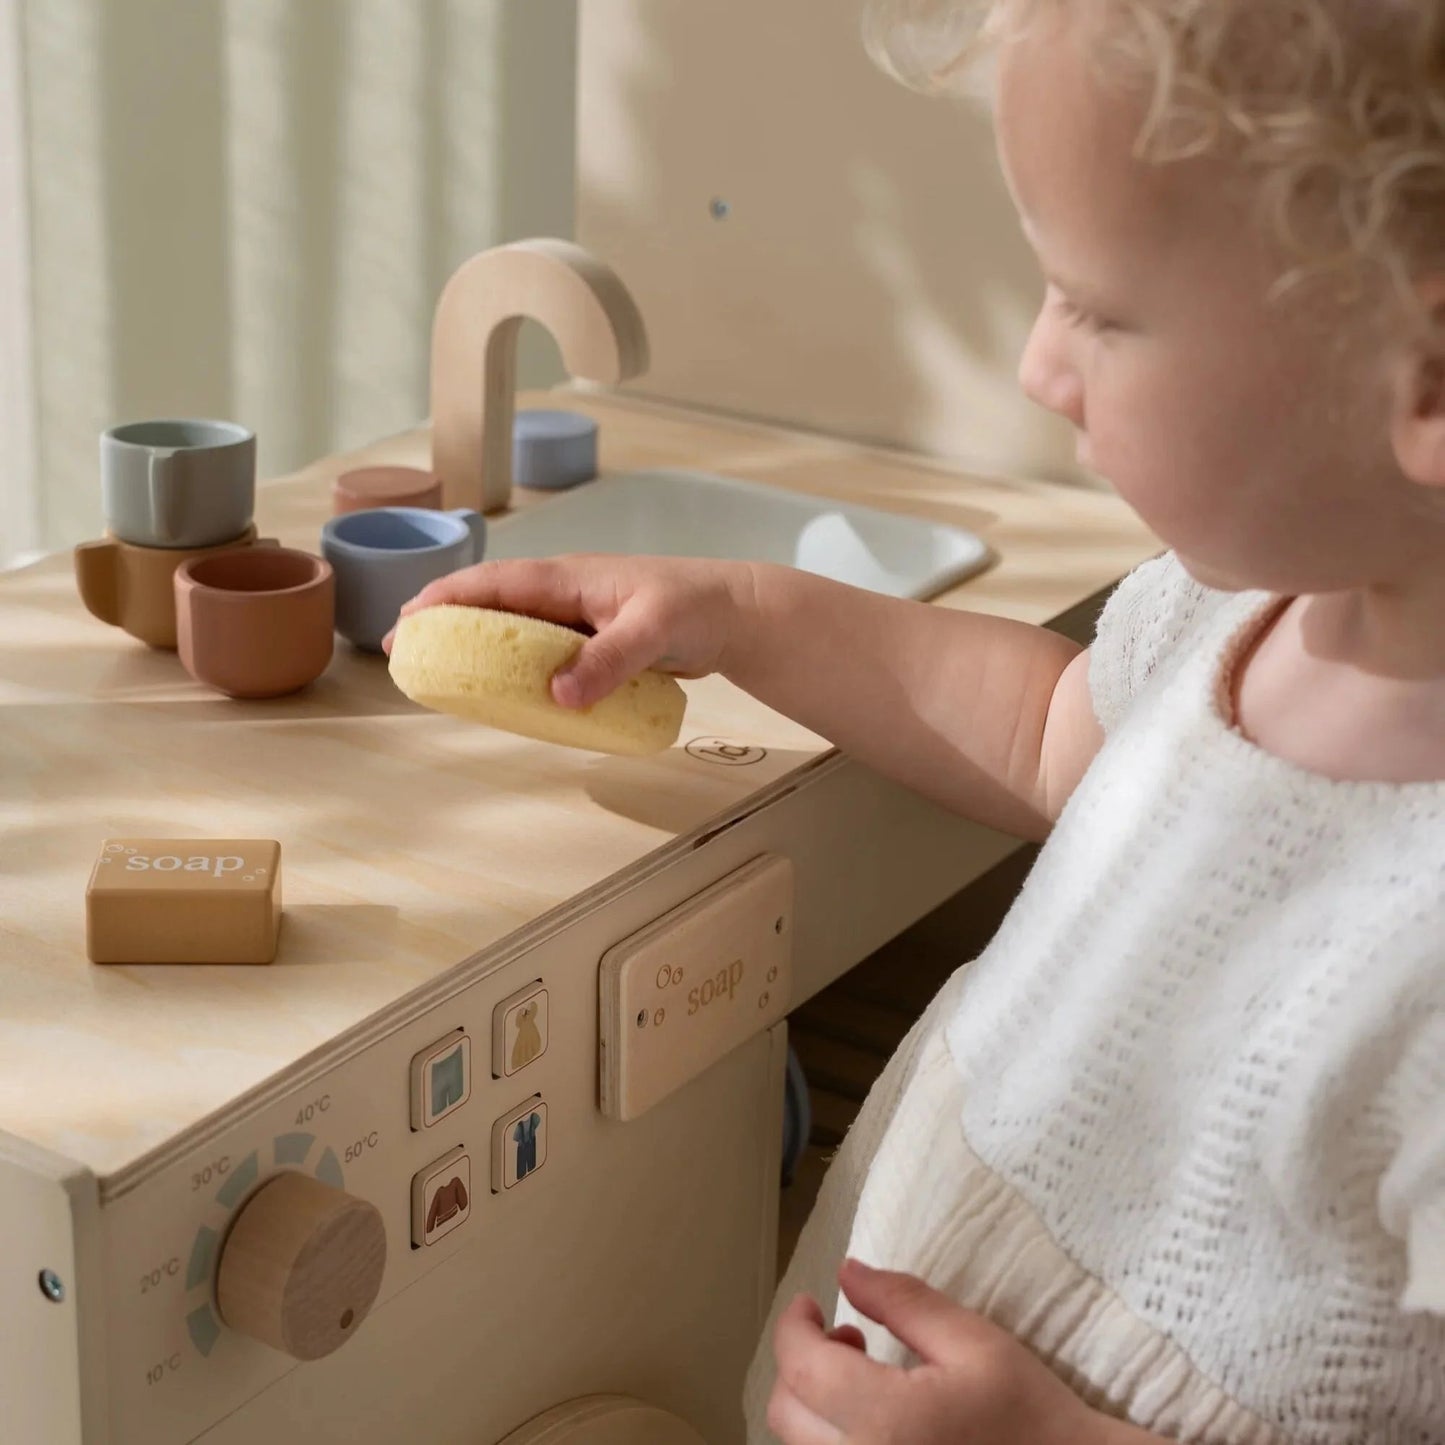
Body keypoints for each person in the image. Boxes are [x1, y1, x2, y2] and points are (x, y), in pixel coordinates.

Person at [390, 1, 1445, 1437]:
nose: (1038, 364)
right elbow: (1042, 728)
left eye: (1097, 308)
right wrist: (743, 615)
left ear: (1429, 375)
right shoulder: (1248, 616)